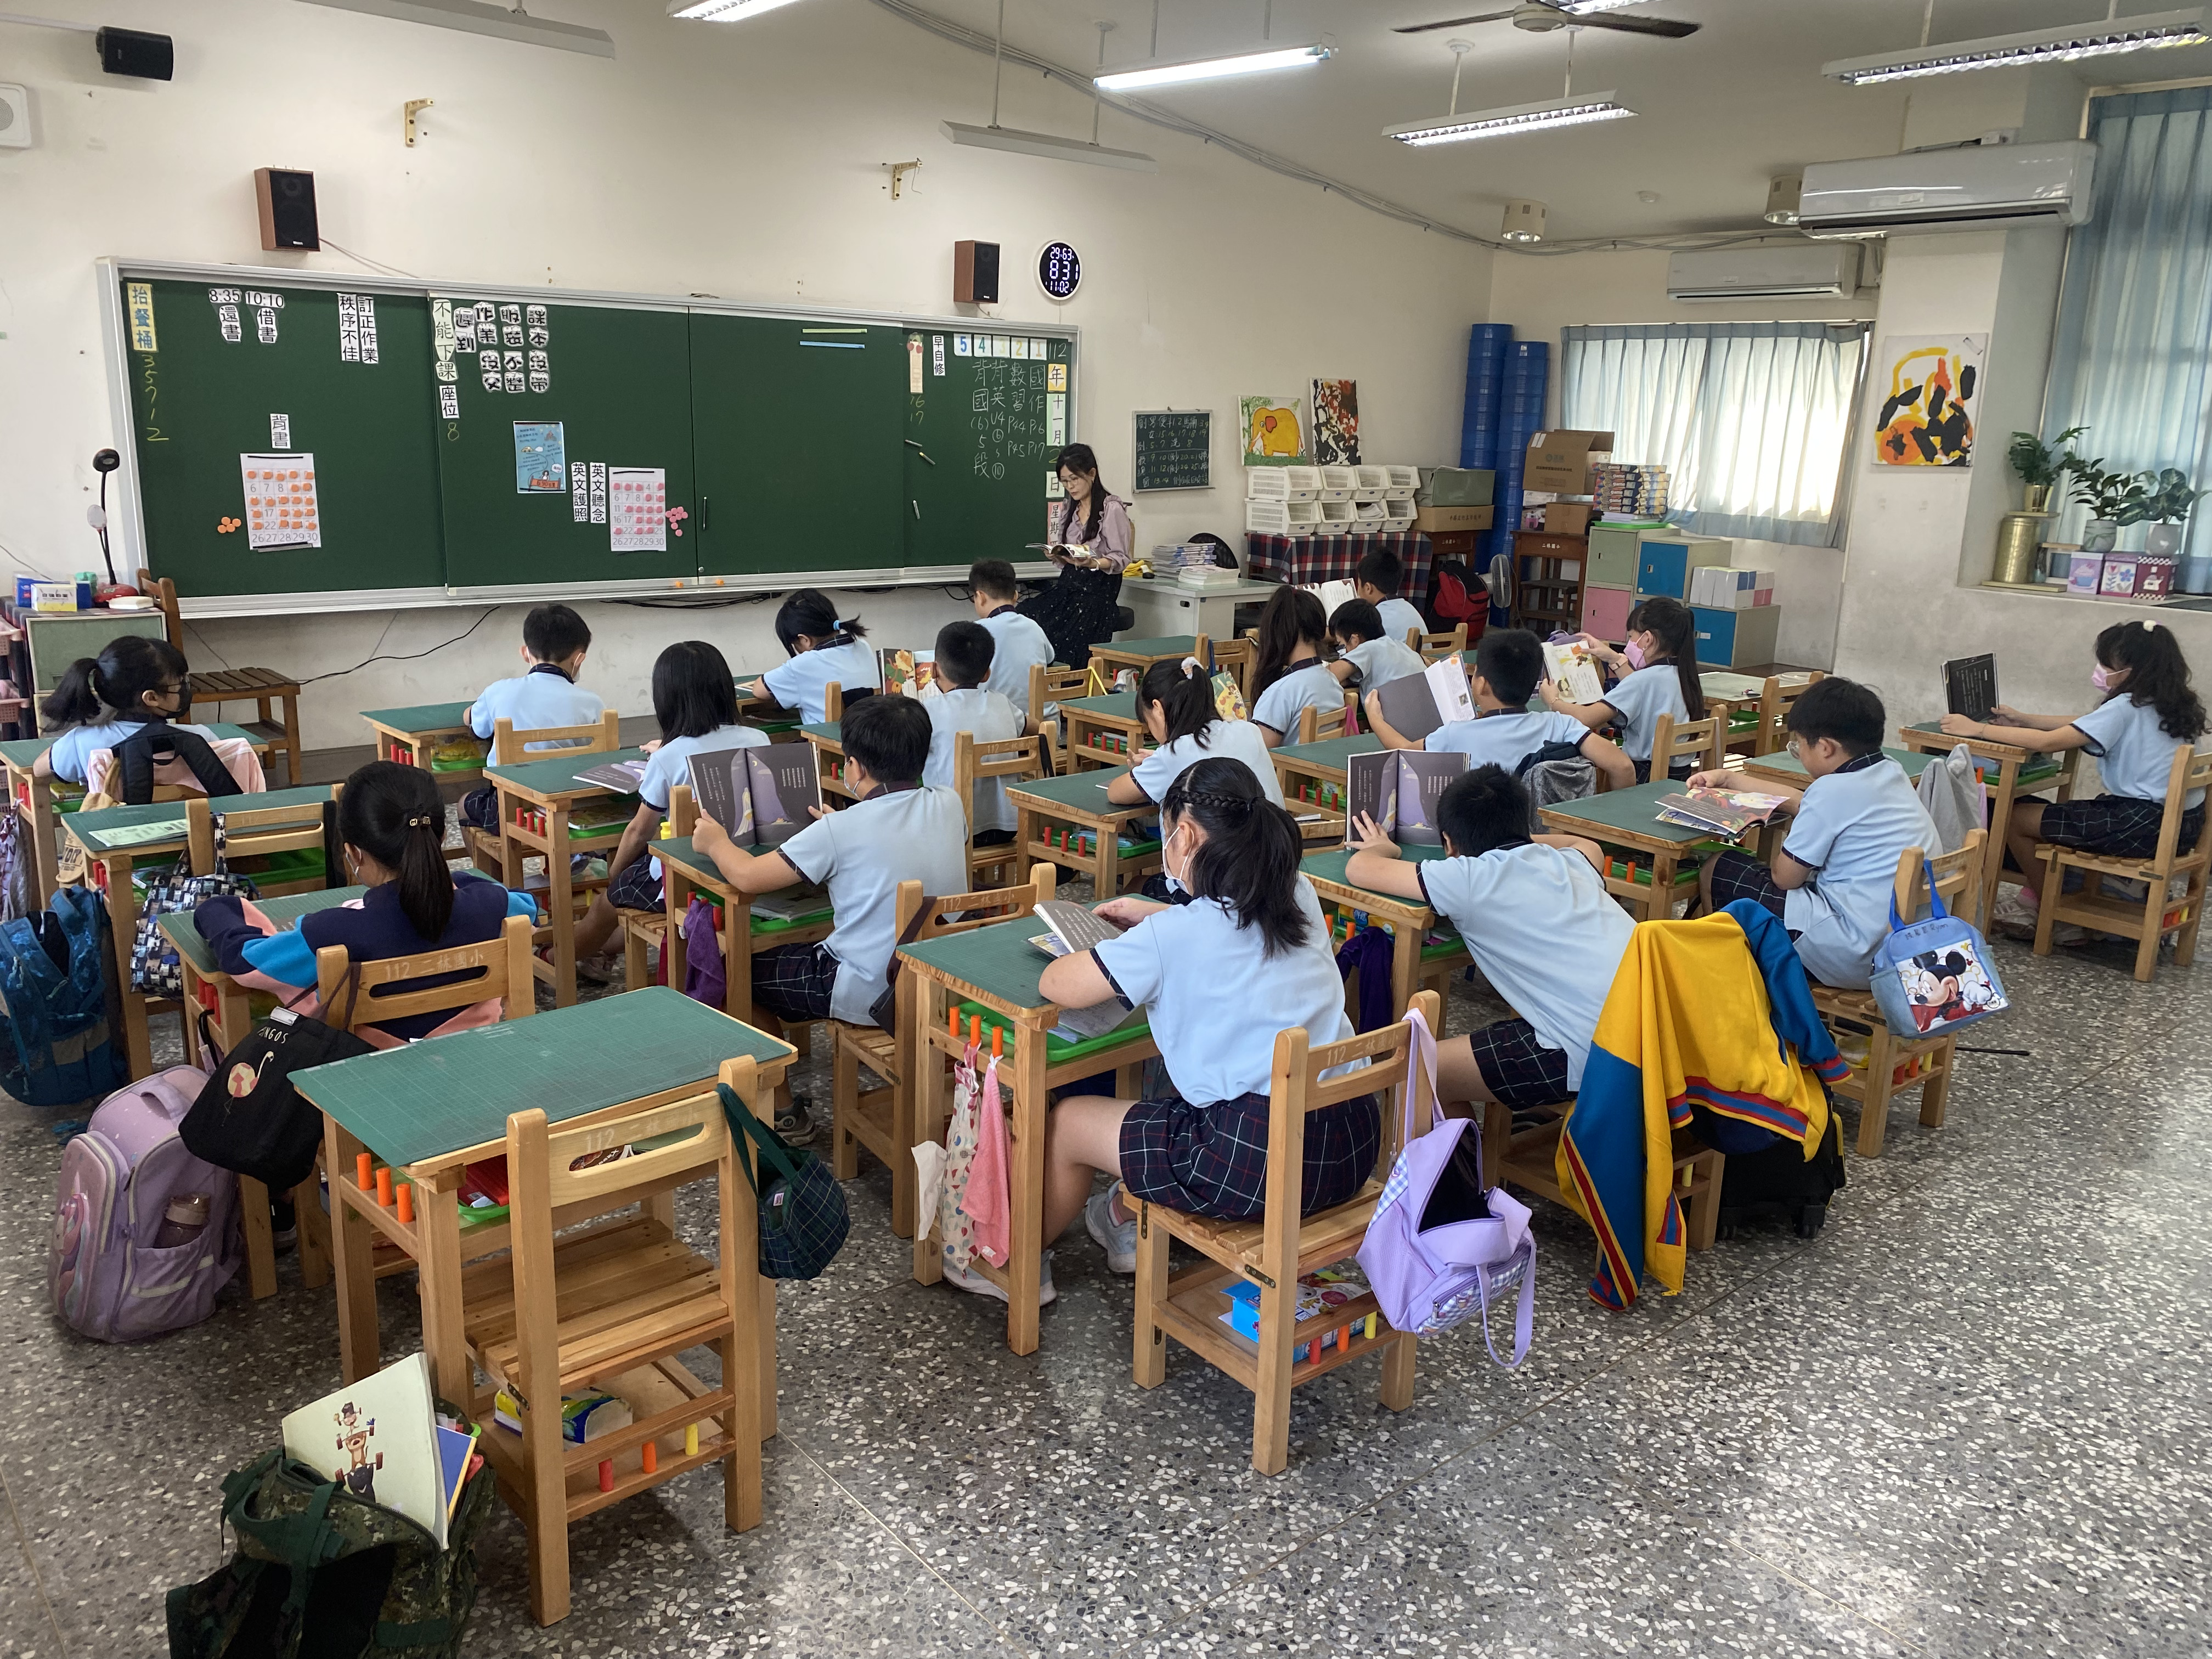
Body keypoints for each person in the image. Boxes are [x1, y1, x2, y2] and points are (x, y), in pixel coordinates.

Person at [1036, 758, 1376, 1285]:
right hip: (1349, 1143)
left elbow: (1060, 985)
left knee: (1069, 1123)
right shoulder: (1298, 894)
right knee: (1180, 1097)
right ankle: (1122, 1214)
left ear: (1187, 835)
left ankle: (1016, 1264)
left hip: (1256, 1163)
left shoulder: (1172, 938)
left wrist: (1143, 933)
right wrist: (1158, 917)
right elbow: (1231, 922)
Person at [687, 694, 967, 1141]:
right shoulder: (949, 802)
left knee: (733, 973)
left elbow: (748, 876)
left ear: (855, 767)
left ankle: (783, 1112)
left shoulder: (840, 831)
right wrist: (843, 827)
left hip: (869, 989)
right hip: (941, 980)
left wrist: (716, 842)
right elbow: (896, 836)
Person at [1346, 765, 1630, 1113]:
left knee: (1422, 1068)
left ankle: (1459, 1152)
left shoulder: (1469, 878)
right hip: (1654, 1032)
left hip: (1593, 1052)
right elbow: (1585, 843)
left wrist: (1381, 848)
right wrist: (1513, 835)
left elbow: (1359, 869)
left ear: (1450, 843)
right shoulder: (1575, 863)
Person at [197, 760, 538, 1042]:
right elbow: (527, 906)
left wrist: (216, 908)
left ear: (354, 853)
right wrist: (458, 882)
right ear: (442, 837)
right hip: (480, 1062)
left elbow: (246, 963)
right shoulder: (492, 905)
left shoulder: (333, 932)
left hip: (369, 1080)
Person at [1939, 618, 2208, 934]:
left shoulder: (2125, 706)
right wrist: (2024, 719)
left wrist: (1978, 729)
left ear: (2131, 670)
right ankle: (2064, 896)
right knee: (2036, 811)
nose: (2102, 671)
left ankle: (2054, 912)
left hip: (2139, 825)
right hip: (2181, 826)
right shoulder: (2172, 704)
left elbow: (2049, 743)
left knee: (2012, 819)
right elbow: (2089, 722)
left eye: (2108, 665)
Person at [1694, 677, 1938, 989]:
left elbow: (1786, 879)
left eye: (1798, 746)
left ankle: (1726, 987)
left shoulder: (1832, 791)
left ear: (1825, 747)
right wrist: (1730, 779)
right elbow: (1804, 802)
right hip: (1909, 947)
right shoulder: (1890, 771)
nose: (1798, 753)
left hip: (1855, 953)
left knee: (1720, 867)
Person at [568, 640, 769, 972]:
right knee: (627, 897)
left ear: (667, 699)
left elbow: (639, 831)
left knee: (609, 902)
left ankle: (555, 961)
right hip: (747, 864)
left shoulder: (668, 757)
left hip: (684, 877)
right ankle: (601, 954)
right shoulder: (759, 739)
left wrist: (614, 877)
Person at [1373, 627, 1633, 791]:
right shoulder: (1561, 725)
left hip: (1486, 842)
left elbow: (1403, 750)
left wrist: (1376, 719)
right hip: (1553, 841)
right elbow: (1622, 767)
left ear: (1482, 685)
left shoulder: (1456, 734)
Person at [457, 603, 601, 830]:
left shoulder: (500, 691)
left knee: (464, 803)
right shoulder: (593, 703)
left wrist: (470, 713)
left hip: (512, 810)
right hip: (574, 807)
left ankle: (498, 854)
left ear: (525, 653)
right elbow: (601, 760)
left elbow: (477, 726)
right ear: (579, 659)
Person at [1542, 595, 1705, 782]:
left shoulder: (1644, 680)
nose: (1630, 644)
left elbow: (1587, 718)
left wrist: (1553, 700)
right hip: (1679, 777)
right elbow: (1641, 689)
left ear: (1647, 639)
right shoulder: (1684, 675)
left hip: (1643, 778)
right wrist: (1613, 658)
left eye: (1631, 637)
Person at [36, 635, 219, 785]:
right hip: (191, 819)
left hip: (113, 820)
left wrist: (70, 742)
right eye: (179, 684)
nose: (184, 689)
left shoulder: (81, 744)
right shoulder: (202, 739)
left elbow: (38, 770)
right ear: (152, 698)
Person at [1104, 657, 1283, 809]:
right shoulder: (1248, 730)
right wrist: (1158, 761)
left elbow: (1116, 793)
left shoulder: (1173, 755)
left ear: (1158, 709)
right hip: (1279, 838)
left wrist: (1156, 764)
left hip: (1226, 841)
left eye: (1148, 722)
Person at [1017, 442, 1133, 670]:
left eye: (1074, 479)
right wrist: (1058, 556)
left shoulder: (1111, 509)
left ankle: (1068, 683)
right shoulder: (1070, 508)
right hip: (1069, 586)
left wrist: (1093, 562)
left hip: (1097, 592)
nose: (1070, 486)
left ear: (1092, 474)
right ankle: (1038, 681)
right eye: (1064, 481)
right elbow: (1070, 557)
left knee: (1067, 634)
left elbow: (1121, 558)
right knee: (1025, 615)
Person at [919, 620, 1023, 844]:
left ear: (934, 670)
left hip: (953, 828)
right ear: (986, 674)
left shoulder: (929, 711)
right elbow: (1035, 727)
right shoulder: (1002, 703)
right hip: (1009, 825)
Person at [744, 589, 878, 726]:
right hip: (874, 733)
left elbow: (759, 690)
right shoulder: (862, 646)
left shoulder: (803, 665)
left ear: (804, 640)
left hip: (832, 739)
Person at [1247, 586, 1341, 748]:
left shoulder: (1281, 692)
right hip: (1319, 763)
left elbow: (1258, 754)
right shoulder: (1332, 681)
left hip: (1285, 765)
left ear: (1278, 632)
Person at [967, 559, 1056, 725]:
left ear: (981, 597)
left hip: (1001, 726)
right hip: (1045, 724)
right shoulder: (1033, 626)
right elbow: (1050, 660)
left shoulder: (976, 632)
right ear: (1015, 596)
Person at [1325, 600, 1425, 697]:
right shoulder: (1399, 645)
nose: (1340, 650)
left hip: (1397, 707)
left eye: (1340, 643)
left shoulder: (1366, 649)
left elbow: (1325, 678)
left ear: (1354, 640)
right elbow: (1427, 662)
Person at [1356, 550, 1427, 647]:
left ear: (1368, 588)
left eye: (1359, 585)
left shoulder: (1375, 618)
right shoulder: (1409, 608)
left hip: (1404, 658)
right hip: (1427, 657)